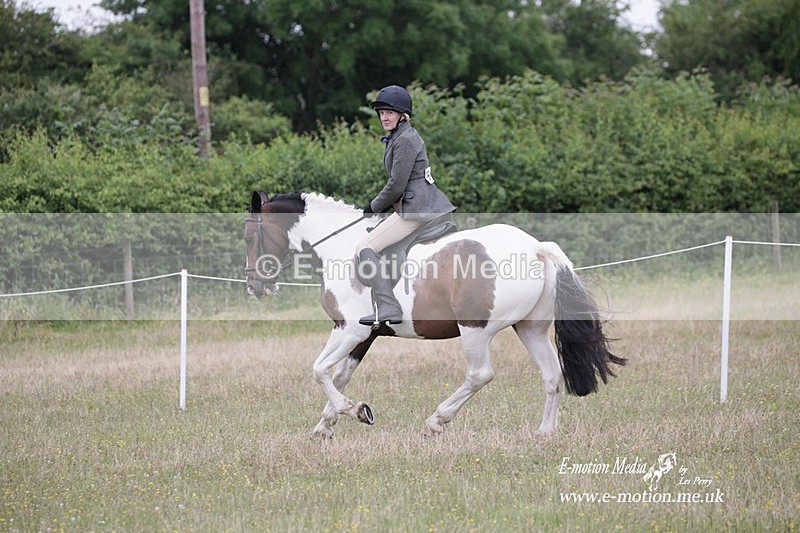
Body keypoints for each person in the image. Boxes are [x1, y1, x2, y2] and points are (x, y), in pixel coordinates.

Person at [355, 85, 456, 326]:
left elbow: (396, 185)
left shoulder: (406, 140)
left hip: (415, 209)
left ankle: (389, 305)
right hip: (415, 204)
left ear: (403, 115)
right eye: (381, 113)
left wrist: (374, 206)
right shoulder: (400, 137)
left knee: (364, 247)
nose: (384, 117)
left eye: (389, 112)